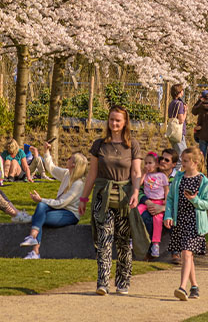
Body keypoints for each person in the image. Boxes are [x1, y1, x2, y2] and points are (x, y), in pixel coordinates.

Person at [79, 105, 143, 296]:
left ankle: (123, 281)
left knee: (123, 242)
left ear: (125, 123)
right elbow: (92, 173)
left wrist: (136, 192)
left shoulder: (133, 145)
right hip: (103, 196)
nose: (114, 123)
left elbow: (136, 172)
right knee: (104, 240)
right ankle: (103, 282)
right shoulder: (99, 145)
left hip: (124, 196)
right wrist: (84, 197)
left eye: (118, 120)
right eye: (111, 119)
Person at [18, 142, 87, 259]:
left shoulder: (78, 184)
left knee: (39, 216)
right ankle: (33, 240)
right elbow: (51, 168)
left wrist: (41, 199)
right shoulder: (67, 174)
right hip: (59, 209)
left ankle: (35, 249)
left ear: (74, 165)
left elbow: (62, 203)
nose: (68, 158)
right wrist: (46, 151)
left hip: (70, 214)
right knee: (41, 207)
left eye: (70, 158)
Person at [165, 146, 208, 301]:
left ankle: (182, 287)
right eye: (182, 160)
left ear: (195, 163)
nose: (182, 163)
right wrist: (168, 215)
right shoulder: (178, 178)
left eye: (185, 161)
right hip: (180, 221)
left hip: (195, 223)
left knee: (186, 253)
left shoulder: (203, 182)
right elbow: (171, 199)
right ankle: (194, 286)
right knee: (188, 256)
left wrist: (195, 200)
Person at [139, 152, 170, 258]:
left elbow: (166, 189)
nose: (147, 165)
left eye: (150, 163)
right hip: (147, 201)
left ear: (156, 164)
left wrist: (166, 200)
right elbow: (139, 184)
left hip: (159, 202)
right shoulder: (146, 175)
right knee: (136, 212)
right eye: (145, 163)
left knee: (157, 220)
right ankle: (133, 237)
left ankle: (155, 244)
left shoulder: (162, 176)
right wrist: (143, 172)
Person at [166, 83, 187, 157]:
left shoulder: (172, 103)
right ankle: (176, 169)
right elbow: (181, 120)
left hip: (172, 131)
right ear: (179, 92)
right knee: (182, 155)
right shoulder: (179, 104)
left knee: (176, 154)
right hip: (178, 132)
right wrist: (186, 111)